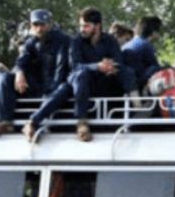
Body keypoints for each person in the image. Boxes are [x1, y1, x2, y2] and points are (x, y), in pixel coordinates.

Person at [28, 8, 132, 143]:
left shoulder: (110, 41)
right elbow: (75, 65)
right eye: (81, 25)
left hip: (103, 82)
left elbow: (118, 60)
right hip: (78, 84)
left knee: (127, 71)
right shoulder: (76, 41)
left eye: (86, 26)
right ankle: (81, 122)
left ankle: (137, 108)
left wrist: (110, 66)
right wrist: (97, 66)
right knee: (77, 77)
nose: (82, 29)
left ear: (97, 26)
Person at [0, 9, 72, 139]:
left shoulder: (63, 40)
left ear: (49, 24)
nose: (39, 28)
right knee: (6, 78)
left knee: (64, 88)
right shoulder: (31, 41)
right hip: (37, 85)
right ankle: (4, 121)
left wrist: (50, 90)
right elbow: (21, 60)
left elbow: (61, 68)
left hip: (56, 85)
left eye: (42, 24)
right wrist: (19, 73)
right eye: (35, 25)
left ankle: (33, 122)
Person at [120, 15, 163, 94]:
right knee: (156, 68)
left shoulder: (127, 44)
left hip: (124, 82)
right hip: (137, 83)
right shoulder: (146, 45)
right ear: (154, 32)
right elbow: (155, 66)